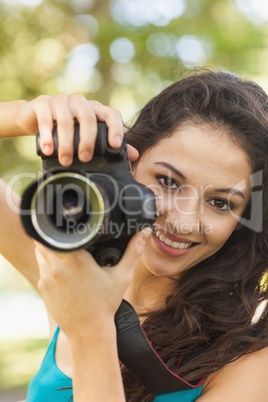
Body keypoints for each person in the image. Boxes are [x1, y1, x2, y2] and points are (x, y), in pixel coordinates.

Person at [0, 69, 268, 402]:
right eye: (168, 182)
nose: (184, 223)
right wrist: (23, 116)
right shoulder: (68, 270)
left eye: (220, 202)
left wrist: (90, 331)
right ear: (128, 166)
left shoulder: (250, 361)